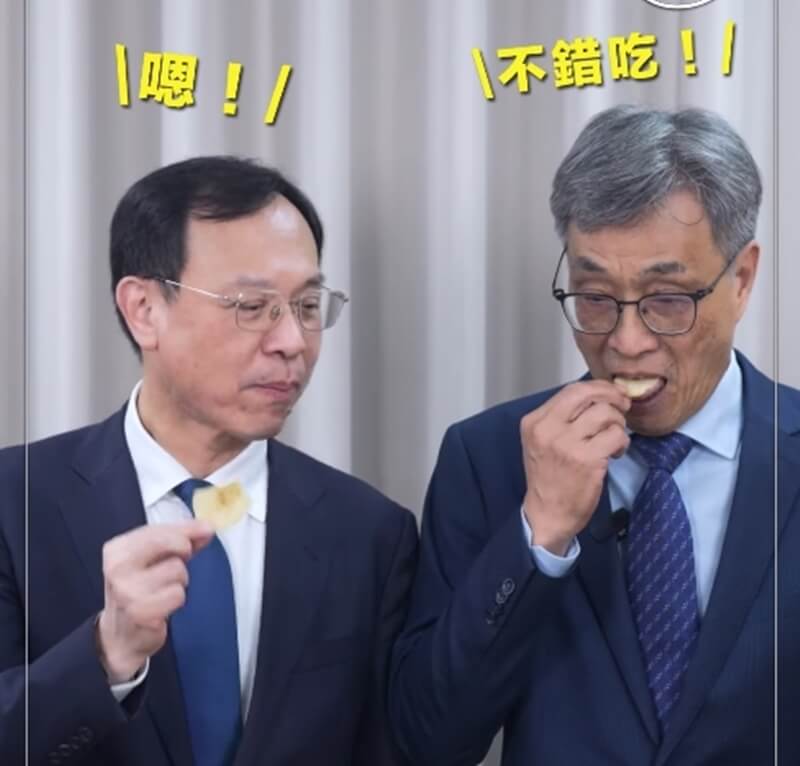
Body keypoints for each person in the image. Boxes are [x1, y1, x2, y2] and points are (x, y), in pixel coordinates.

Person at [389, 106, 798, 765]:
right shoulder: (486, 458)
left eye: (668, 300)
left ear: (742, 279)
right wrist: (539, 534)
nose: (626, 342)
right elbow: (426, 741)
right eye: (595, 298)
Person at [0, 156, 417, 766]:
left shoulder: (371, 533)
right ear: (144, 309)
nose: (292, 342)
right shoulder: (15, 503)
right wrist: (106, 654)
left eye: (307, 306)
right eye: (251, 305)